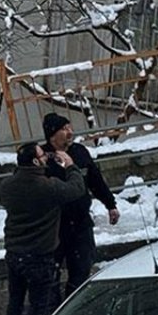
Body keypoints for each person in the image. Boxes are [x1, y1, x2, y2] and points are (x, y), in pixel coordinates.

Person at [0, 142, 88, 315]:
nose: (46, 158)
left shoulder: (8, 186)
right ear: (34, 161)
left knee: (15, 302)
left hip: (14, 254)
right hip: (39, 256)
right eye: (42, 155)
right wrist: (70, 166)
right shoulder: (48, 187)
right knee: (38, 307)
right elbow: (76, 189)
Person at [41, 113, 120, 296]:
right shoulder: (43, 158)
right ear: (52, 134)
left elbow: (95, 181)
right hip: (53, 226)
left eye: (70, 127)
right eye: (64, 129)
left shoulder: (79, 152)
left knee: (82, 267)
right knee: (50, 273)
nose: (70, 132)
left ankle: (73, 303)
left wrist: (110, 204)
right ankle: (52, 309)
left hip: (80, 223)